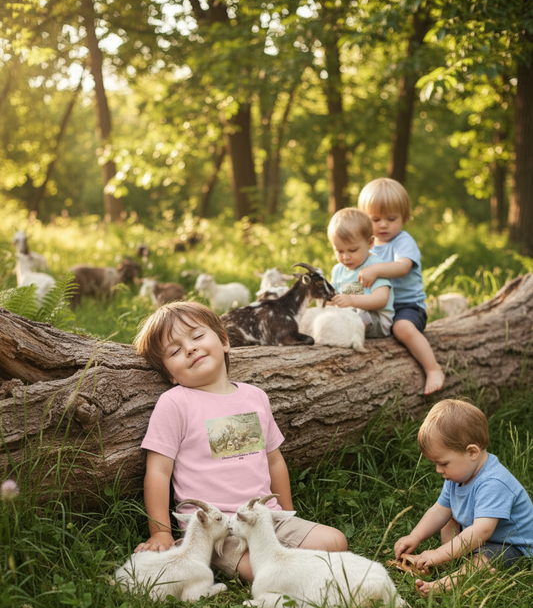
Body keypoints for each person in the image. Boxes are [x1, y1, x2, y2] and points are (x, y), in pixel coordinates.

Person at [133, 301, 348, 582]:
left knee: (336, 542)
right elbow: (158, 472)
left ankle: (294, 565)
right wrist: (160, 531)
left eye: (197, 336)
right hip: (214, 528)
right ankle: (291, 573)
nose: (190, 348)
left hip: (264, 517)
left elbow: (274, 460)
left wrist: (284, 513)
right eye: (174, 351)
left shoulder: (254, 396)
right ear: (170, 374)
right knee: (258, 570)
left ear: (224, 341)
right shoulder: (175, 403)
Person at [394, 399, 533, 596]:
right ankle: (450, 557)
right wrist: (415, 536)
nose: (438, 470)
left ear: (472, 452)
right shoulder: (458, 475)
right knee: (449, 515)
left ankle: (446, 583)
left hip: (511, 545)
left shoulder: (494, 482)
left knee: (485, 559)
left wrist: (438, 554)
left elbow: (482, 531)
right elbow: (438, 511)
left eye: (443, 463)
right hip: (476, 537)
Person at [357, 177, 445, 395]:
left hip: (407, 307)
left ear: (404, 217)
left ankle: (433, 368)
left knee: (402, 328)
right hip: (379, 305)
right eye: (375, 219)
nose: (383, 224)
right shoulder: (368, 245)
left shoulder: (403, 241)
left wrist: (376, 269)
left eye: (391, 218)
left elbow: (403, 267)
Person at [327, 207, 395, 338]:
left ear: (370, 243)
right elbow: (334, 296)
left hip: (376, 321)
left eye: (352, 250)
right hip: (349, 315)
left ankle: (347, 332)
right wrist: (331, 301)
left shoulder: (375, 266)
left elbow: (381, 300)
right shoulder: (338, 270)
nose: (346, 257)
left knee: (355, 311)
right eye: (340, 251)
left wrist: (351, 300)